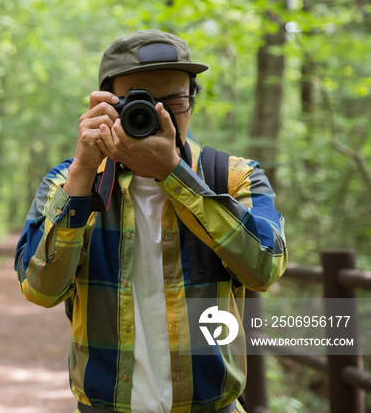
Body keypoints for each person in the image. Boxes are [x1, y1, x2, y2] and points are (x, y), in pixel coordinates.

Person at [14, 29, 287, 413]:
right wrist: (82, 173)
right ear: (105, 105)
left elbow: (265, 268)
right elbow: (40, 289)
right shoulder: (69, 181)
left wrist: (175, 175)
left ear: (192, 99)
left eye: (174, 100)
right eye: (138, 102)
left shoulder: (233, 176)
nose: (157, 115)